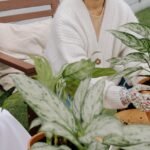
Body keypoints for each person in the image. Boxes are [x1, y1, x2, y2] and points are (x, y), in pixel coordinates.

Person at [45, 0, 150, 110]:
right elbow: (77, 77)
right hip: (70, 89)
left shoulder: (120, 8)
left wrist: (144, 82)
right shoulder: (66, 16)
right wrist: (123, 95)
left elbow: (136, 52)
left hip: (110, 82)